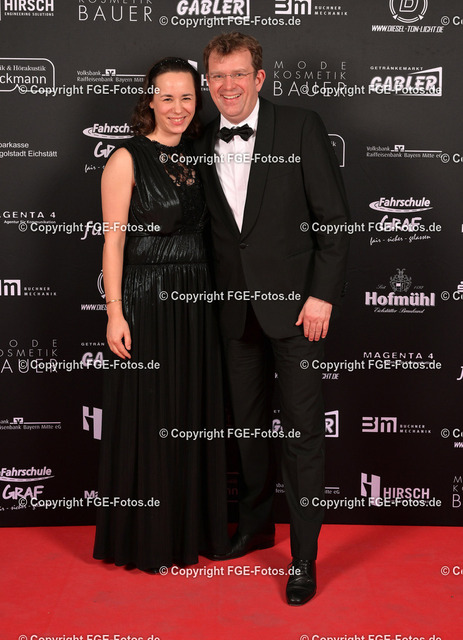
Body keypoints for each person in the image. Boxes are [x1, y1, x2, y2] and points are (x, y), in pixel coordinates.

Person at [195, 33, 350, 605]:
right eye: (217, 76)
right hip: (235, 312)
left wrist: (322, 296)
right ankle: (255, 528)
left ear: (259, 78)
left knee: (303, 437)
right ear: (207, 82)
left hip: (299, 311)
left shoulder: (301, 126)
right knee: (248, 431)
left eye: (238, 74)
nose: (228, 86)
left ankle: (303, 557)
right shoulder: (201, 139)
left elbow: (334, 222)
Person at [93, 57, 229, 572]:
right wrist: (115, 312)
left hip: (198, 299)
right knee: (151, 413)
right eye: (167, 97)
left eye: (187, 97)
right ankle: (147, 538)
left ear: (198, 102)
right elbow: (113, 242)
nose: (177, 107)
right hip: (148, 299)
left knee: (191, 411)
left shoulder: (202, 156)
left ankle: (191, 531)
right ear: (149, 100)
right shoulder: (125, 158)